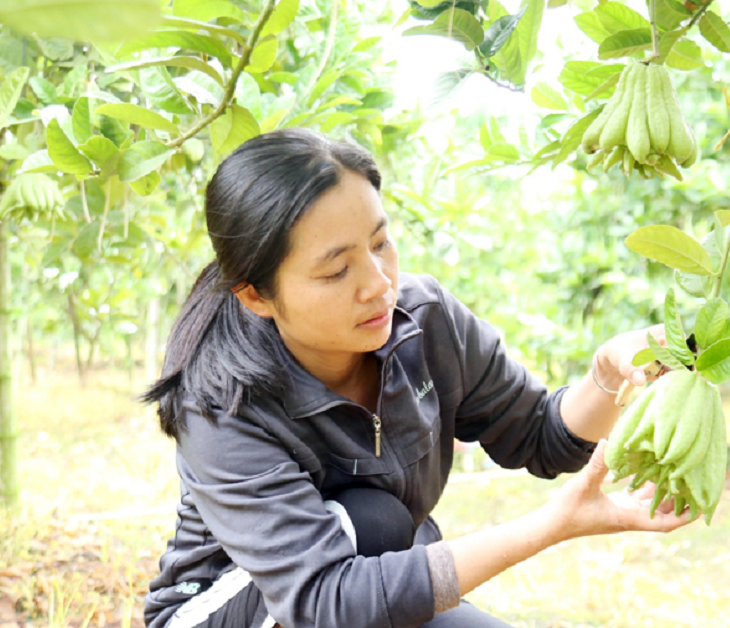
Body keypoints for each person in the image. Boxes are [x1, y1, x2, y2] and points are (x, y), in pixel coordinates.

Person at [142, 128, 696, 628]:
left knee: (387, 538)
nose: (378, 284)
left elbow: (543, 437)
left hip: (377, 590)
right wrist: (553, 525)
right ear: (256, 295)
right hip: (235, 609)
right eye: (337, 270)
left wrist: (603, 377)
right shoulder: (220, 402)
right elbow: (324, 602)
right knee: (373, 521)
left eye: (381, 244)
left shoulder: (425, 323)